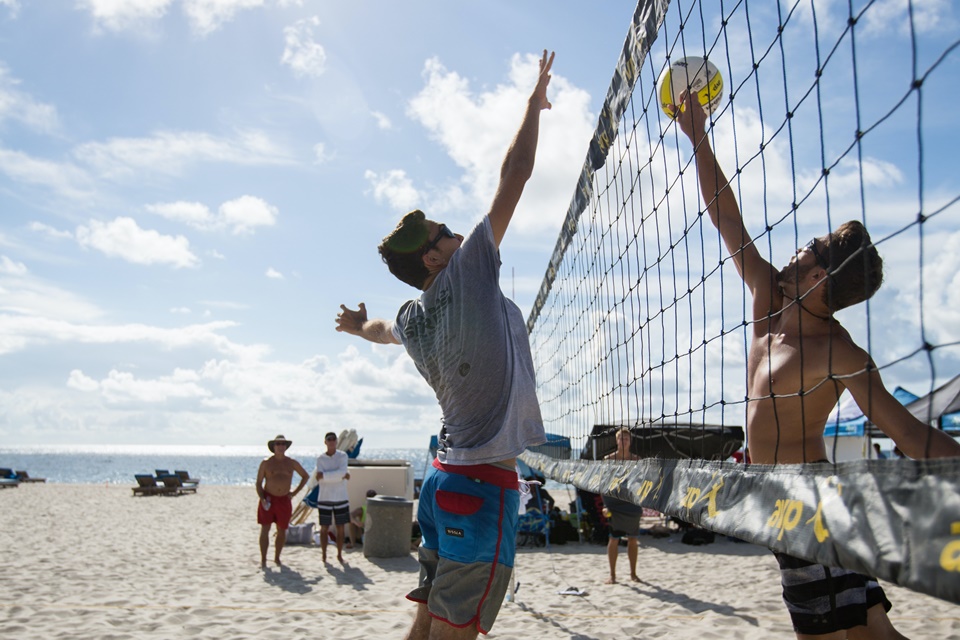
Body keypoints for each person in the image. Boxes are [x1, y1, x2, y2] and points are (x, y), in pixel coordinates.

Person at [675, 91, 960, 639]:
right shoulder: (767, 298)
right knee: (874, 634)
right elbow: (726, 217)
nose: (794, 252)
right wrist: (698, 138)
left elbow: (909, 434)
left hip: (808, 507)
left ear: (820, 279)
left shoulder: (838, 352)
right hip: (786, 505)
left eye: (807, 249)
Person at [335, 49, 554, 640]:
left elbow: (384, 331)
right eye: (442, 233)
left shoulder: (413, 315)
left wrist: (360, 328)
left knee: (428, 618)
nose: (456, 231)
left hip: (443, 480)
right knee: (453, 631)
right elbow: (517, 175)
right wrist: (533, 107)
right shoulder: (467, 271)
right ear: (434, 258)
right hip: (480, 488)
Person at [256, 434, 309, 568]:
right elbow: (258, 483)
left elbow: (305, 476)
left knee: (282, 530)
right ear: (273, 446)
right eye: (278, 444)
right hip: (268, 498)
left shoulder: (291, 462)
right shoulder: (266, 463)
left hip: (284, 500)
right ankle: (263, 559)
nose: (280, 446)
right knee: (265, 529)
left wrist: (294, 493)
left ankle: (277, 557)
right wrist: (262, 498)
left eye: (283, 444)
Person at [602, 427, 642, 584]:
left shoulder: (637, 460)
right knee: (614, 539)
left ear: (630, 442)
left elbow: (641, 484)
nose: (623, 441)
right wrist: (605, 506)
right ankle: (612, 575)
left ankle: (633, 574)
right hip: (614, 504)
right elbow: (603, 485)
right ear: (617, 441)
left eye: (626, 439)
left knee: (633, 539)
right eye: (621, 439)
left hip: (632, 503)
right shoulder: (609, 460)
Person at [315, 431, 351, 563]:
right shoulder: (321, 459)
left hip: (340, 497)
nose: (331, 442)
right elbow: (319, 478)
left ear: (336, 441)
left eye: (333, 439)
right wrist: (340, 476)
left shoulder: (342, 456)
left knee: (340, 527)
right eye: (328, 439)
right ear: (325, 442)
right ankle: (324, 555)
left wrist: (325, 476)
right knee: (324, 528)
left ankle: (339, 554)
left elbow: (341, 472)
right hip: (324, 497)